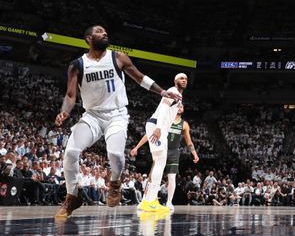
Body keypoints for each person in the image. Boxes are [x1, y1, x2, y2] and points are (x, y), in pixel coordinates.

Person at [54, 25, 182, 218]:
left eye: (106, 31)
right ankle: (72, 195)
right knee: (71, 151)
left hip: (117, 114)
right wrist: (64, 112)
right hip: (92, 115)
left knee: (115, 154)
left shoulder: (118, 57)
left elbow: (139, 77)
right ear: (88, 38)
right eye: (99, 31)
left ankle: (114, 182)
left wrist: (161, 91)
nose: (104, 33)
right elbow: (71, 95)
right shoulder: (77, 65)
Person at [135, 73, 189, 214]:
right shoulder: (173, 91)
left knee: (159, 163)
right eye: (181, 78)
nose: (184, 80)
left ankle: (146, 200)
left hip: (161, 128)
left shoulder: (178, 95)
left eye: (186, 79)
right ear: (175, 80)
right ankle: (151, 201)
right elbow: (164, 109)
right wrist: (158, 128)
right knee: (159, 163)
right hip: (157, 126)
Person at [131, 102, 199, 212]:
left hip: (174, 152)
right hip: (162, 149)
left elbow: (189, 142)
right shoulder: (165, 120)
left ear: (183, 109)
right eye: (178, 105)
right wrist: (137, 147)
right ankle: (145, 200)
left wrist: (194, 154)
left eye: (181, 106)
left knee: (172, 177)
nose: (179, 107)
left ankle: (169, 202)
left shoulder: (184, 124)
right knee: (152, 176)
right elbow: (150, 134)